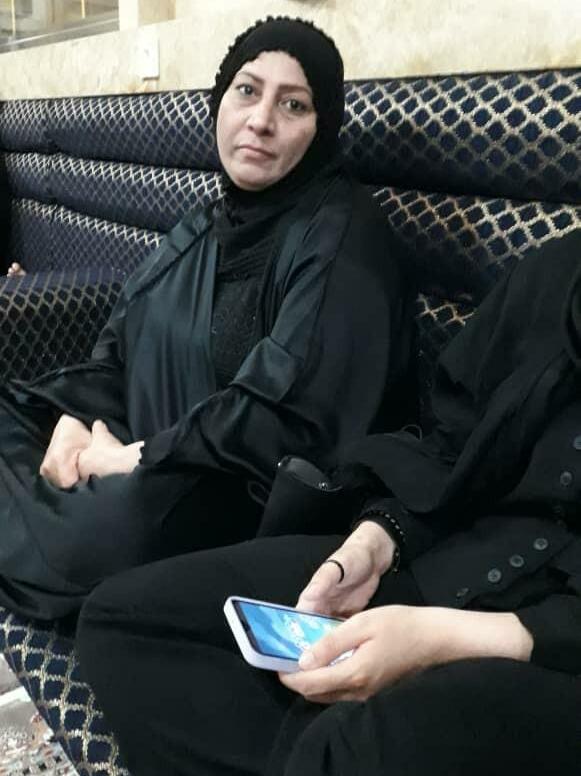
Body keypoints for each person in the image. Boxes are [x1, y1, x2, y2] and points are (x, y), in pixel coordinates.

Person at [78, 229, 581, 776]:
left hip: (550, 649)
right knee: (120, 623)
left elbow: (279, 416)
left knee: (345, 745)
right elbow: (452, 442)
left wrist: (440, 639)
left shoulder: (342, 244)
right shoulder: (556, 270)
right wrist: (378, 538)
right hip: (456, 555)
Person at [0, 17, 412, 620]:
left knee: (107, 534)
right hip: (153, 454)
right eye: (247, 91)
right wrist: (74, 419)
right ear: (220, 102)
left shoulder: (343, 237)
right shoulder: (206, 225)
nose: (261, 120)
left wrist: (130, 458)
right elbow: (120, 353)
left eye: (293, 104)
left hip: (240, 497)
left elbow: (286, 415)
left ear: (322, 129)